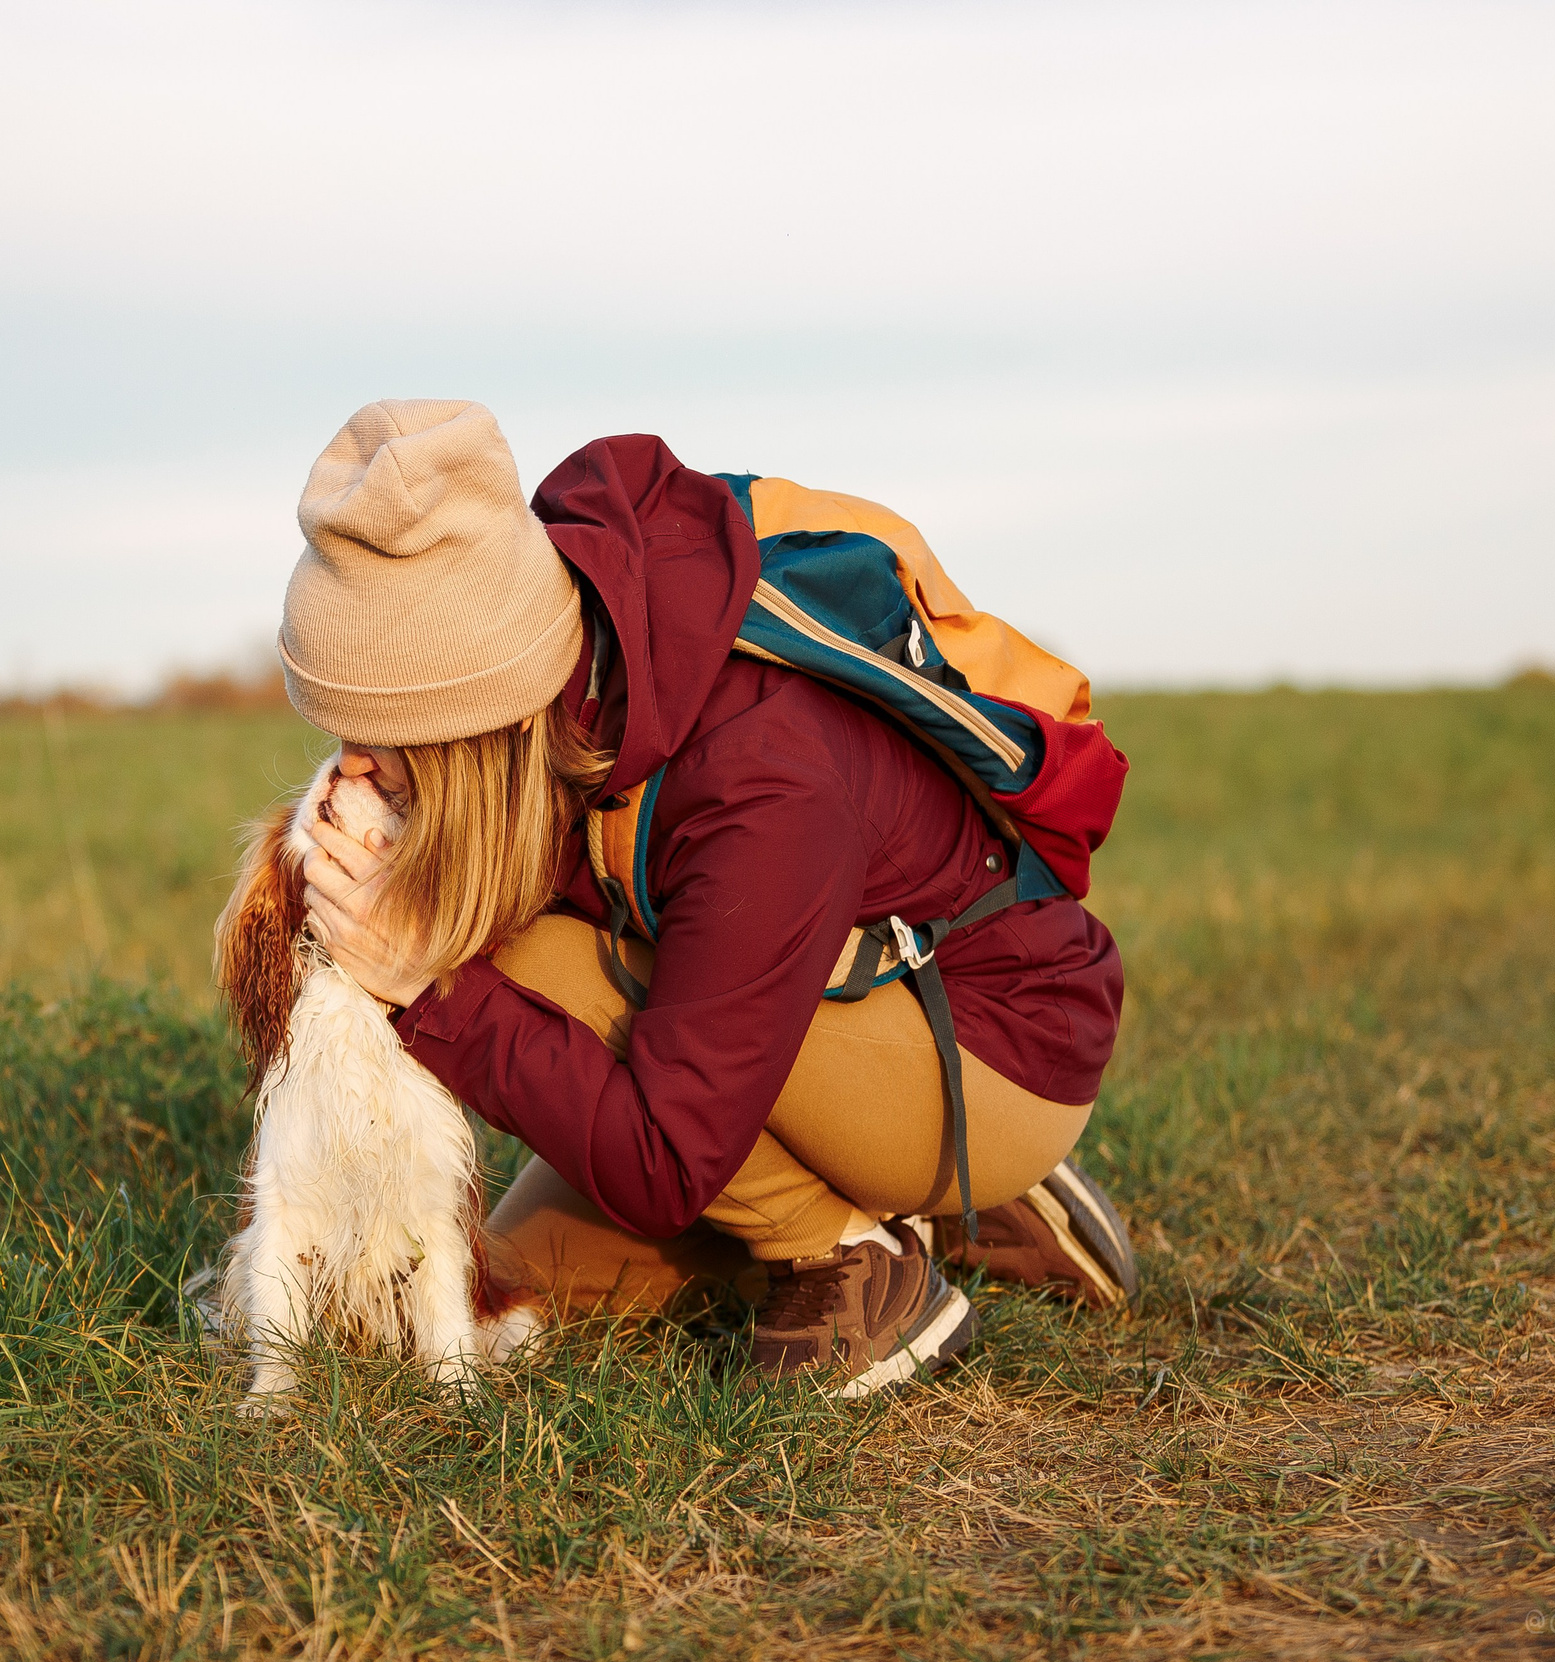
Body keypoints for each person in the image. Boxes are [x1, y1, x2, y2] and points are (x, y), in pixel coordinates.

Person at [280, 398, 1134, 1395]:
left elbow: (664, 1164)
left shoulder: (761, 772)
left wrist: (426, 990)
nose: (349, 767)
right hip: (782, 1016)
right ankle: (935, 1204)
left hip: (990, 1044)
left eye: (374, 732)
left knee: (507, 956)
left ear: (471, 715)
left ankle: (863, 1255)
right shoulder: (565, 681)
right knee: (507, 1284)